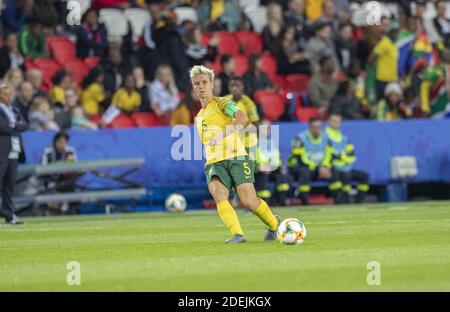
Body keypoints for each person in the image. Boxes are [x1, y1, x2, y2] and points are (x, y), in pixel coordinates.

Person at [192, 65, 279, 243]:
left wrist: (221, 135)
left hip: (237, 157)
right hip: (214, 162)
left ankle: (274, 225)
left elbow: (243, 118)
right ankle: (238, 234)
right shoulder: (198, 116)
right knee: (219, 195)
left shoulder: (223, 103)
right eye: (196, 83)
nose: (200, 86)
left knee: (249, 202)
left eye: (204, 82)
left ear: (211, 84)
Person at [287, 117, 342, 205]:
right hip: (298, 167)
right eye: (314, 127)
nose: (316, 130)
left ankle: (339, 200)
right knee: (305, 171)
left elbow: (329, 156)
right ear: (309, 127)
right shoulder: (300, 139)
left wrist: (325, 166)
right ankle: (304, 200)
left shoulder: (326, 139)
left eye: (319, 127)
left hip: (318, 169)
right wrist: (318, 168)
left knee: (334, 171)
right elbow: (300, 159)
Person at [326, 114, 369, 203]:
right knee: (342, 176)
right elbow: (328, 155)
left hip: (346, 167)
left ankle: (358, 200)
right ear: (328, 122)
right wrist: (343, 156)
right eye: (334, 121)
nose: (336, 124)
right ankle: (342, 199)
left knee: (364, 175)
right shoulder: (324, 137)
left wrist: (341, 157)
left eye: (338, 122)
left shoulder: (345, 138)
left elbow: (352, 155)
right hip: (333, 168)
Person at [0, 83, 27, 225]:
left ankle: (9, 214)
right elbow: (3, 127)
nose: (8, 97)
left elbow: (24, 125)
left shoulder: (15, 110)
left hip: (14, 150)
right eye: (5, 94)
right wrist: (15, 127)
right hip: (2, 151)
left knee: (9, 185)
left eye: (10, 94)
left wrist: (13, 126)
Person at [255, 120, 292, 206]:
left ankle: (281, 201)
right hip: (258, 171)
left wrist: (271, 167)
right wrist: (259, 167)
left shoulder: (272, 143)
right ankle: (264, 204)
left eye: (268, 128)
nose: (267, 130)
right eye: (264, 128)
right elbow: (249, 160)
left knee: (283, 177)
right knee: (262, 177)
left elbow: (277, 160)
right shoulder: (253, 143)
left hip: (271, 169)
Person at [224, 76, 260, 158]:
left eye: (237, 86)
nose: (234, 89)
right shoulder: (224, 101)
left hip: (246, 142)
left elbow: (256, 123)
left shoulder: (248, 103)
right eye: (232, 86)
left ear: (242, 86)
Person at [368, 20, 400, 101]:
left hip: (392, 79)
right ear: (389, 32)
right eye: (393, 31)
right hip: (383, 79)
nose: (396, 33)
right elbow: (371, 58)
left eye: (397, 31)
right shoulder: (385, 43)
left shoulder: (394, 45)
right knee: (383, 102)